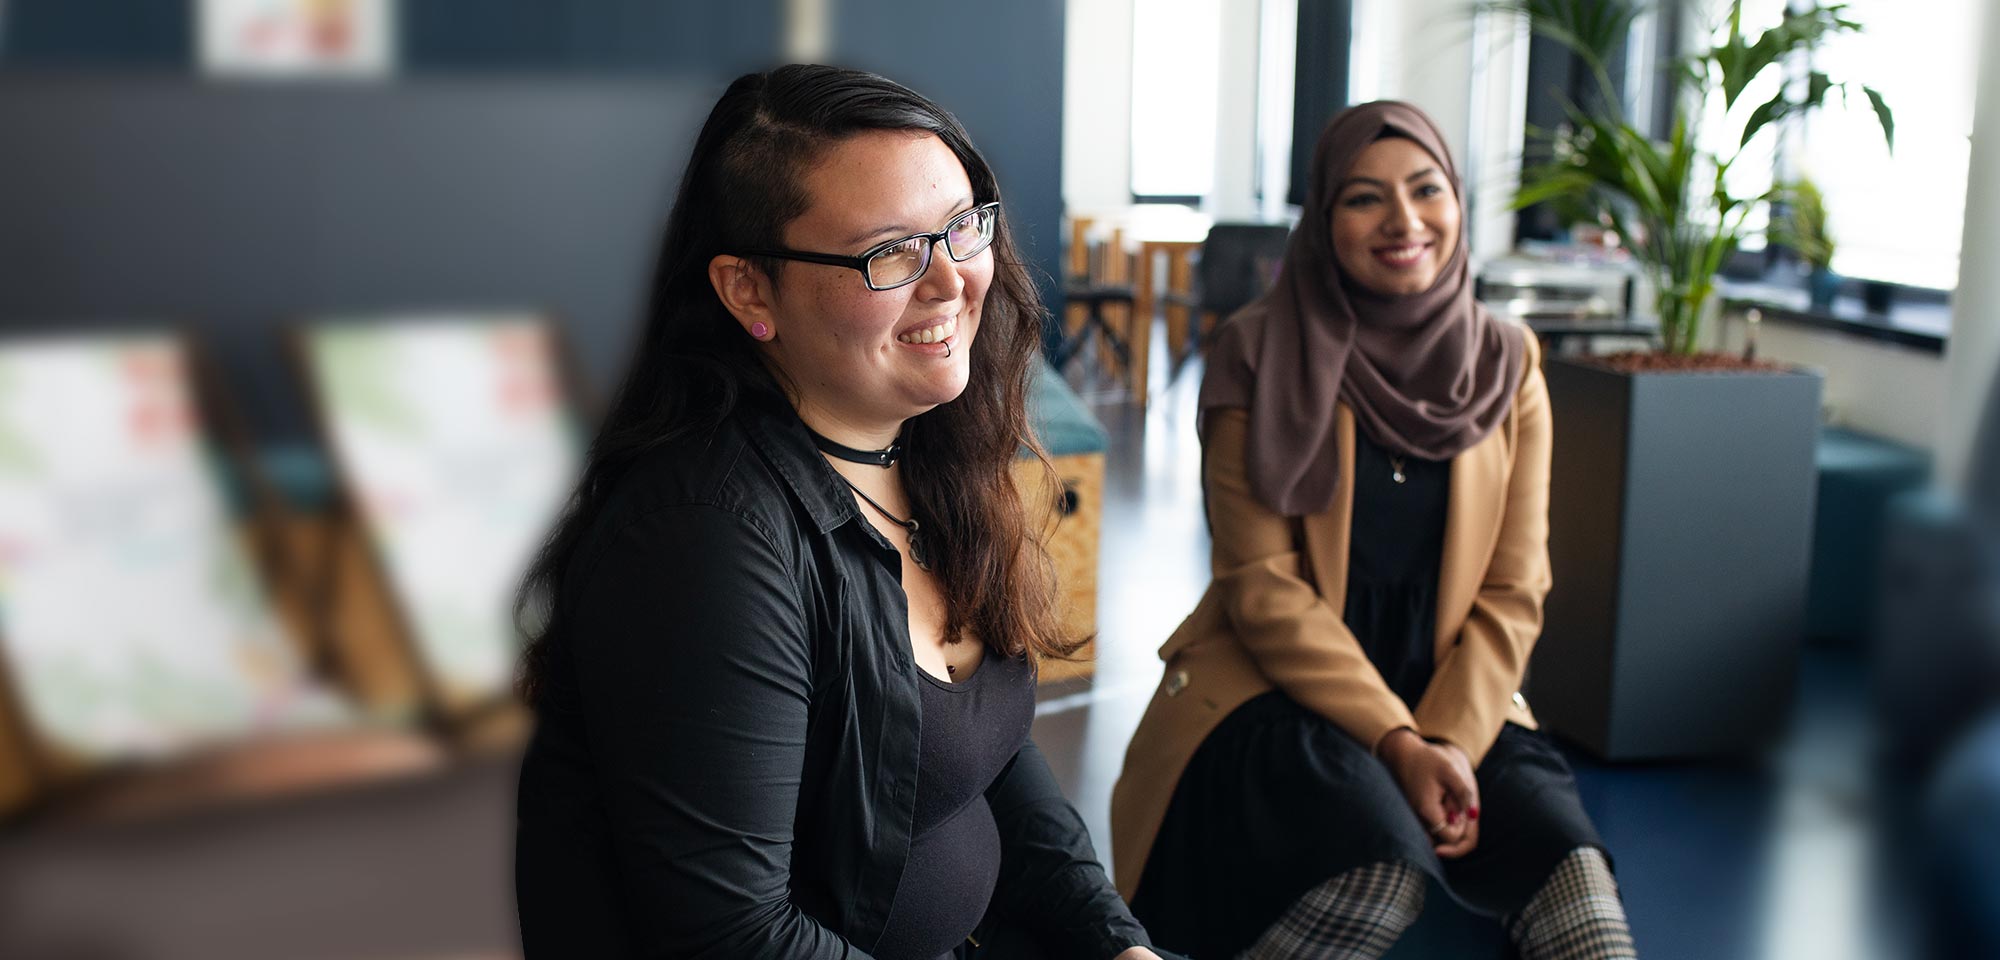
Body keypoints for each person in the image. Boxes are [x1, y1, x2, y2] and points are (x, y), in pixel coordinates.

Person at [513, 65, 1171, 960]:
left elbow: (992, 756)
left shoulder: (933, 451)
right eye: (891, 252)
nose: (951, 282)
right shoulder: (706, 539)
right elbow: (733, 936)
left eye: (962, 228)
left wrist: (1111, 941)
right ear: (750, 291)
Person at [1108, 101, 1637, 959]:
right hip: (1281, 690)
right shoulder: (1256, 350)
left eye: (1427, 189)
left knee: (1582, 895)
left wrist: (1446, 744)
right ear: (1323, 218)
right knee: (1373, 872)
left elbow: (1516, 585)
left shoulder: (1509, 362)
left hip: (1457, 696)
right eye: (1363, 199)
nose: (1403, 222)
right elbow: (1262, 584)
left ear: (1458, 203)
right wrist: (1395, 740)